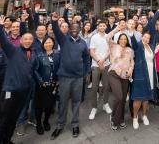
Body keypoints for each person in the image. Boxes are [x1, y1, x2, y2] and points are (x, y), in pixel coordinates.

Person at [0, 15, 38, 144]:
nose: (28, 41)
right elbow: (2, 38)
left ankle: (7, 140)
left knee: (13, 118)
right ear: (21, 40)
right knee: (4, 119)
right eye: (26, 39)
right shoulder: (13, 50)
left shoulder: (33, 53)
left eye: (30, 39)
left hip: (24, 91)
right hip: (10, 90)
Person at [50, 12, 90, 140]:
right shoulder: (63, 39)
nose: (74, 30)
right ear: (69, 30)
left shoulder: (83, 43)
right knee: (63, 101)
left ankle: (75, 124)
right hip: (65, 77)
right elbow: (56, 30)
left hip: (78, 76)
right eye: (72, 28)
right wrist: (54, 21)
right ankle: (60, 124)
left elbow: (86, 58)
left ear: (79, 30)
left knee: (76, 101)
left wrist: (88, 71)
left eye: (76, 28)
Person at [105, 33, 134, 131]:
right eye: (121, 39)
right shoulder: (114, 46)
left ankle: (121, 119)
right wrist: (117, 28)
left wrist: (130, 71)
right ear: (118, 40)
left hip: (125, 76)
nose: (123, 40)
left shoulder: (130, 50)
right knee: (119, 97)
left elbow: (132, 63)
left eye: (125, 39)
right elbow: (107, 37)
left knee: (123, 98)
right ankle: (113, 119)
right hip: (114, 74)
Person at [128, 31, 156, 129]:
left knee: (147, 96)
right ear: (141, 37)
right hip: (140, 74)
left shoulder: (151, 47)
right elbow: (134, 45)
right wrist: (131, 35)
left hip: (150, 74)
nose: (145, 39)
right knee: (138, 97)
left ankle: (144, 115)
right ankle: (135, 118)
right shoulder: (139, 46)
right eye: (144, 37)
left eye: (148, 38)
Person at [33, 36, 60, 135]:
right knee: (39, 106)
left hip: (53, 84)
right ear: (43, 44)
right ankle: (39, 124)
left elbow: (61, 67)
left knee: (50, 104)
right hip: (42, 84)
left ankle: (46, 121)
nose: (48, 44)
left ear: (53, 43)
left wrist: (58, 79)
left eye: (50, 42)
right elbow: (35, 70)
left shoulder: (58, 53)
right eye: (46, 43)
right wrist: (40, 81)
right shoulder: (39, 55)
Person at [89, 21, 112, 120]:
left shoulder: (109, 36)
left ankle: (105, 103)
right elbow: (91, 51)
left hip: (106, 64)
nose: (102, 27)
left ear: (106, 27)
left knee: (106, 86)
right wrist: (99, 61)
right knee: (94, 87)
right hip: (95, 65)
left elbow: (110, 50)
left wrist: (103, 60)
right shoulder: (94, 37)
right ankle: (94, 107)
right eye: (100, 26)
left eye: (104, 25)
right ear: (97, 27)